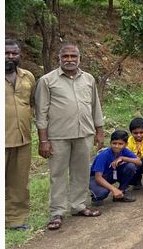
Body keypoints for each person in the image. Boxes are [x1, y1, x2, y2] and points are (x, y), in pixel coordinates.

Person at [35, 42, 105, 231]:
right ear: (59, 59)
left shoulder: (88, 79)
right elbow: (41, 113)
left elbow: (95, 107)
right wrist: (43, 140)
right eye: (65, 56)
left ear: (79, 58)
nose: (69, 60)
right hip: (58, 136)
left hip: (84, 134)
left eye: (73, 56)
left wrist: (99, 131)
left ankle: (79, 206)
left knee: (81, 171)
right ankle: (57, 211)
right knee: (58, 174)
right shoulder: (47, 80)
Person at [5, 40, 36, 230]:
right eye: (6, 53)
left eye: (14, 53)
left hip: (23, 138)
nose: (10, 57)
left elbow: (32, 103)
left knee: (19, 183)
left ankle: (15, 220)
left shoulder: (28, 77)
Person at [89, 130, 142, 205]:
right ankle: (96, 197)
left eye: (120, 144)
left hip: (112, 175)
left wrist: (123, 158)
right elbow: (98, 178)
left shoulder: (124, 151)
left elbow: (139, 162)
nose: (117, 146)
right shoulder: (104, 155)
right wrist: (114, 189)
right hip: (97, 177)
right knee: (102, 193)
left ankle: (121, 192)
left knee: (131, 166)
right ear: (110, 143)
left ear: (126, 144)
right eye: (114, 143)